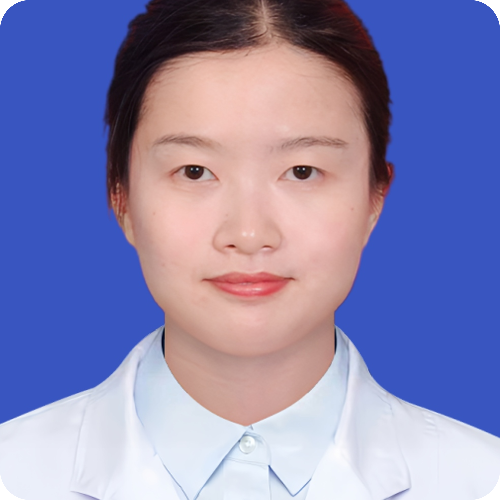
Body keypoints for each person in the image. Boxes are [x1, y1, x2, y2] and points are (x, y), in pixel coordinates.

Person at [0, 0, 498, 499]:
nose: (249, 233)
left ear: (375, 199)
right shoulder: (18, 472)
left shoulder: (475, 478)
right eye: (195, 171)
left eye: (302, 171)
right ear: (121, 198)